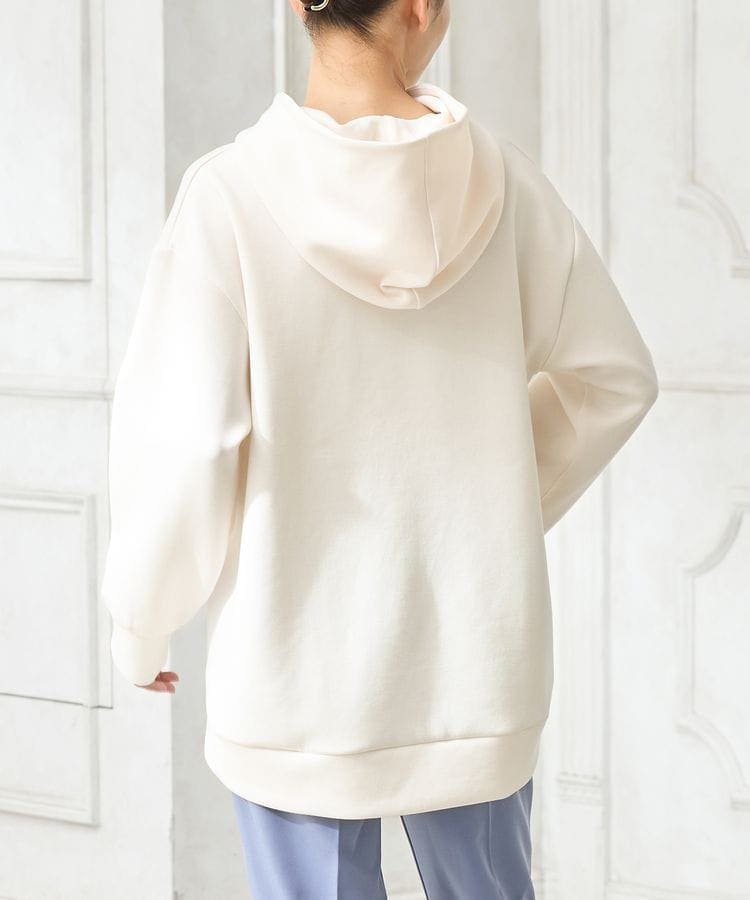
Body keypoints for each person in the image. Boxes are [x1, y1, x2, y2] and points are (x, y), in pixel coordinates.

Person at [100, 0, 659, 895]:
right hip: (477, 683)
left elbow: (188, 448)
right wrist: (497, 506)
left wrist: (142, 624)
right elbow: (616, 379)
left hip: (295, 697)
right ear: (423, 7)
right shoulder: (507, 187)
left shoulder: (229, 200)